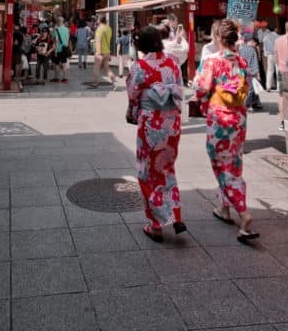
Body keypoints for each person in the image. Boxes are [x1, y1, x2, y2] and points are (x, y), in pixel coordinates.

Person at [193, 18, 259, 243]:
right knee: (234, 163)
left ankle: (244, 213)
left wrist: (205, 94)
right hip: (239, 118)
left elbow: (200, 88)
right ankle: (224, 208)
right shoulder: (241, 61)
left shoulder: (213, 61)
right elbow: (247, 88)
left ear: (218, 38)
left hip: (219, 119)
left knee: (222, 166)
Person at [126, 27, 186, 242]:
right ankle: (175, 214)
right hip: (171, 122)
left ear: (140, 46)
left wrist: (133, 114)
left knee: (147, 171)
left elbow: (133, 96)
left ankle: (156, 224)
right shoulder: (173, 62)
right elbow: (178, 87)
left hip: (151, 122)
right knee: (166, 167)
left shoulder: (140, 67)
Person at [237, 24, 263, 112]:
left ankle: (254, 102)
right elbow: (254, 63)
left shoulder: (239, 48)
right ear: (250, 40)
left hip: (240, 72)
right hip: (250, 73)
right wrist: (257, 74)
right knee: (251, 89)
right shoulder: (252, 50)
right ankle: (247, 104)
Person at [90, 15, 114, 88]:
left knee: (96, 68)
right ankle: (113, 79)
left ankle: (95, 84)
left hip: (101, 52)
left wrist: (98, 52)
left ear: (99, 20)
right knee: (107, 68)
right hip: (107, 51)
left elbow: (98, 41)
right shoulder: (109, 28)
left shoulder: (99, 29)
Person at [261, 21, 278, 91]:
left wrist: (265, 54)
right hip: (277, 54)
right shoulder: (277, 36)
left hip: (270, 55)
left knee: (269, 70)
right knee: (278, 70)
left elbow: (264, 46)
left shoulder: (266, 36)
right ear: (274, 30)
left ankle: (268, 86)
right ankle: (279, 87)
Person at [53, 16, 71, 83]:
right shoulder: (67, 29)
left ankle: (57, 77)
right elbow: (68, 39)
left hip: (58, 49)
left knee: (57, 63)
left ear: (57, 22)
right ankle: (64, 78)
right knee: (64, 63)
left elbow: (56, 40)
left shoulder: (56, 29)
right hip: (65, 49)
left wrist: (55, 50)